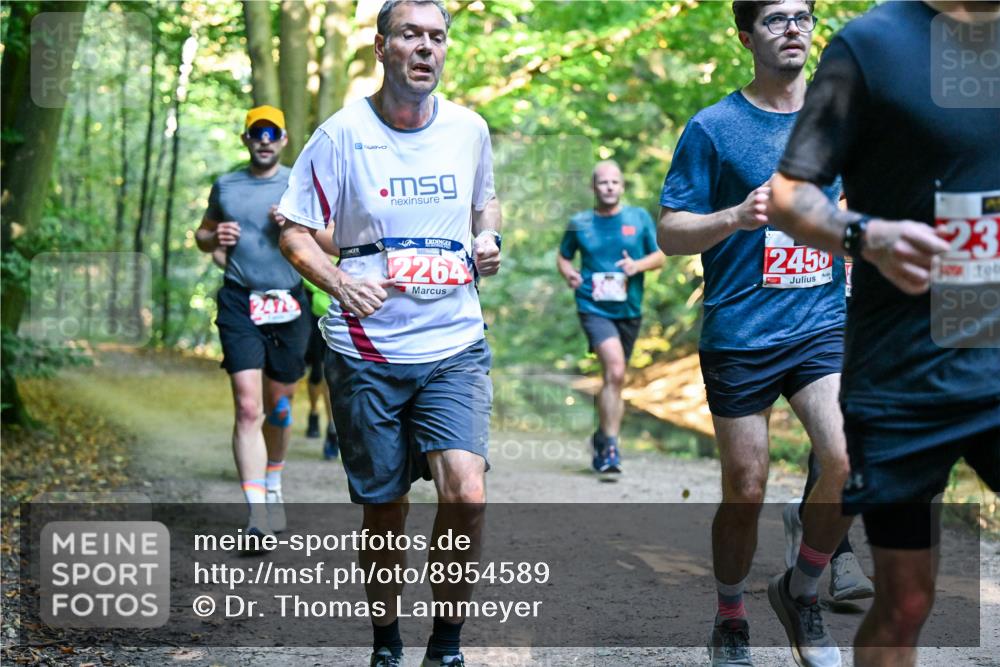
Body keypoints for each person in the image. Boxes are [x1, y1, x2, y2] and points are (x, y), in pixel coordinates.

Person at [767, 1, 1000, 664]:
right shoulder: (872, 45)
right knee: (905, 601)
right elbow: (789, 195)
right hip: (906, 374)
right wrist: (865, 235)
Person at [276, 2, 501, 665]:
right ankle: (386, 640)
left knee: (467, 489)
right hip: (366, 353)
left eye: (437, 37)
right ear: (381, 47)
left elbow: (484, 199)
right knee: (385, 511)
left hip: (453, 343)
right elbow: (291, 226)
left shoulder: (468, 129)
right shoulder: (341, 136)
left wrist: (487, 236)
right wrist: (338, 282)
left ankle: (448, 644)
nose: (426, 48)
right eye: (411, 35)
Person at [658, 2, 865, 664]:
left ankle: (801, 590)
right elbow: (668, 229)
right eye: (775, 19)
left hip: (821, 322)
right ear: (746, 36)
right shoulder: (714, 128)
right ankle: (730, 615)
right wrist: (732, 216)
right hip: (742, 331)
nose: (793, 28)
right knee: (745, 486)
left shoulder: (840, 117)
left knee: (847, 459)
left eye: (802, 16)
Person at [195, 105, 308, 543]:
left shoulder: (299, 184)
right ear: (246, 139)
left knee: (279, 409)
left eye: (272, 133)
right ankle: (257, 512)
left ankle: (274, 481)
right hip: (241, 302)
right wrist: (213, 238)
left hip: (289, 305)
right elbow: (203, 234)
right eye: (255, 132)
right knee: (247, 407)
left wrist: (296, 225)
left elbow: (333, 239)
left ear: (283, 140)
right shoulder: (226, 185)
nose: (264, 140)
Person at [557, 160, 664, 473]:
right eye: (603, 182)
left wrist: (637, 266)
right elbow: (564, 256)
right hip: (592, 305)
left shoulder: (638, 218)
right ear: (593, 187)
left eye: (614, 182)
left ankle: (603, 436)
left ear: (622, 187)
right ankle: (612, 449)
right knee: (615, 371)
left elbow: (660, 256)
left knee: (614, 379)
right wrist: (570, 275)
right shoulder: (580, 222)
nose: (609, 187)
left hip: (629, 309)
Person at [303, 276, 340, 460]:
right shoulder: (311, 248)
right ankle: (314, 412)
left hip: (339, 319)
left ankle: (332, 428)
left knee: (329, 375)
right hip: (313, 318)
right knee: (316, 374)